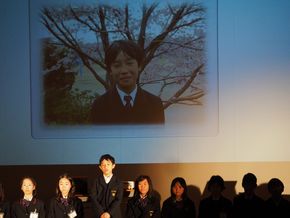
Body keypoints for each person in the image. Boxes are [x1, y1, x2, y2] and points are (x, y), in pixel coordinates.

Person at [90, 40, 165, 125]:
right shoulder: (99, 105)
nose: (124, 71)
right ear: (110, 70)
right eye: (117, 65)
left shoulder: (155, 103)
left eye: (129, 63)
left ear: (139, 65)